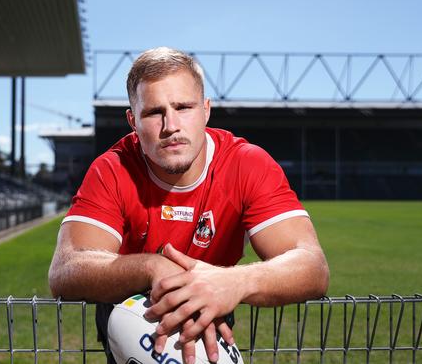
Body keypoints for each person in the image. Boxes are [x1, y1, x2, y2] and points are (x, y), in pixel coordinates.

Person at [48, 47, 329, 364]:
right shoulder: (112, 169)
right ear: (132, 121)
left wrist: (235, 281)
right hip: (134, 315)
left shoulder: (246, 164)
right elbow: (65, 270)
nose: (171, 125)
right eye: (154, 112)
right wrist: (153, 268)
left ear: (206, 110)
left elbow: (313, 267)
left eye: (184, 107)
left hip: (214, 304)